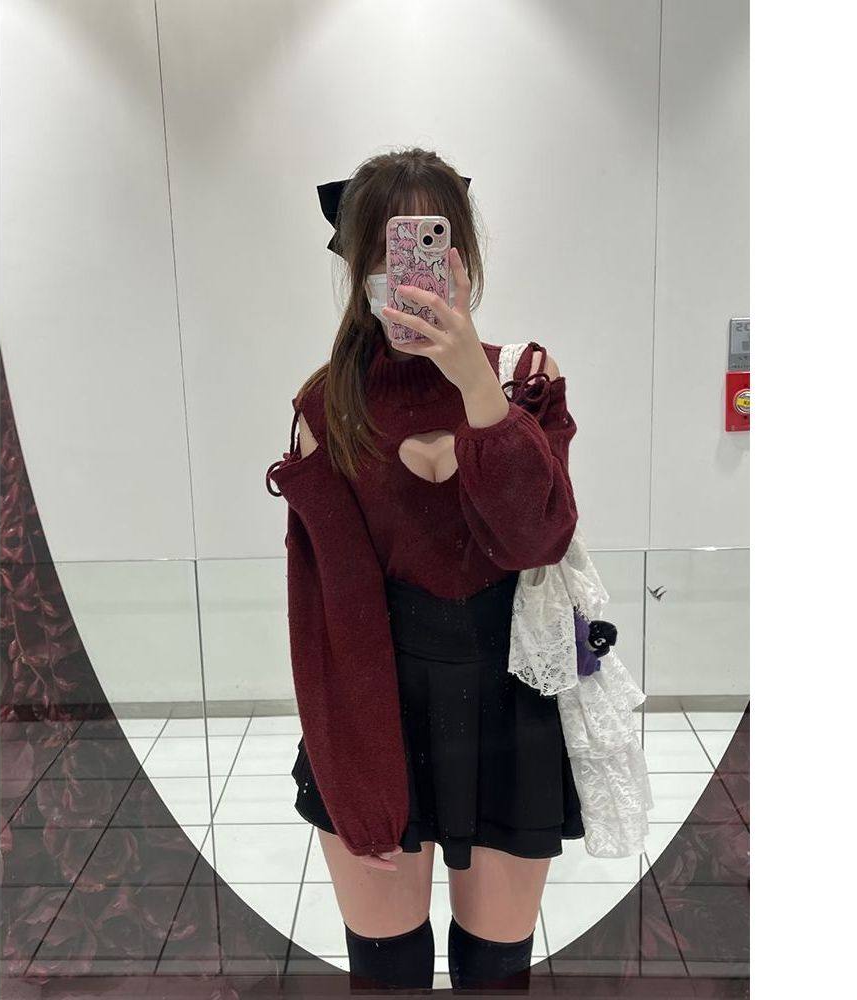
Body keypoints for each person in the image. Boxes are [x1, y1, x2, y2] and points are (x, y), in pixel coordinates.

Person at [265, 148, 584, 992]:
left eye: (428, 245)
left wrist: (477, 383)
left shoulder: (524, 381)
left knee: (496, 973)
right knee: (388, 973)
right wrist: (353, 773)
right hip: (376, 704)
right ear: (358, 268)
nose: (408, 271)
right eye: (386, 250)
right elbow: (326, 610)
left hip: (510, 702)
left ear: (463, 257)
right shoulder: (326, 406)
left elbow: (536, 539)